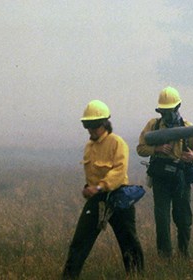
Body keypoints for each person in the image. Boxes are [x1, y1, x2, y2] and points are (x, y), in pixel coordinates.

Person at [63, 100, 144, 279]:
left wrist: (100, 186)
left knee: (129, 242)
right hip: (97, 200)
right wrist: (89, 188)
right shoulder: (89, 147)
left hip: (118, 198)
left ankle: (137, 276)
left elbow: (118, 171)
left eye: (94, 126)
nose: (91, 130)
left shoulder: (117, 143)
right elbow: (91, 174)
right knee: (80, 242)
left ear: (104, 124)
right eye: (87, 126)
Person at [136, 86, 193, 259]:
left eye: (170, 110)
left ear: (177, 107)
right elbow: (140, 149)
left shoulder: (187, 128)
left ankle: (183, 253)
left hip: (181, 178)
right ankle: (164, 257)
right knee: (162, 219)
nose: (167, 114)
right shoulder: (153, 125)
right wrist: (156, 148)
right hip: (161, 178)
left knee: (183, 218)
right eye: (163, 111)